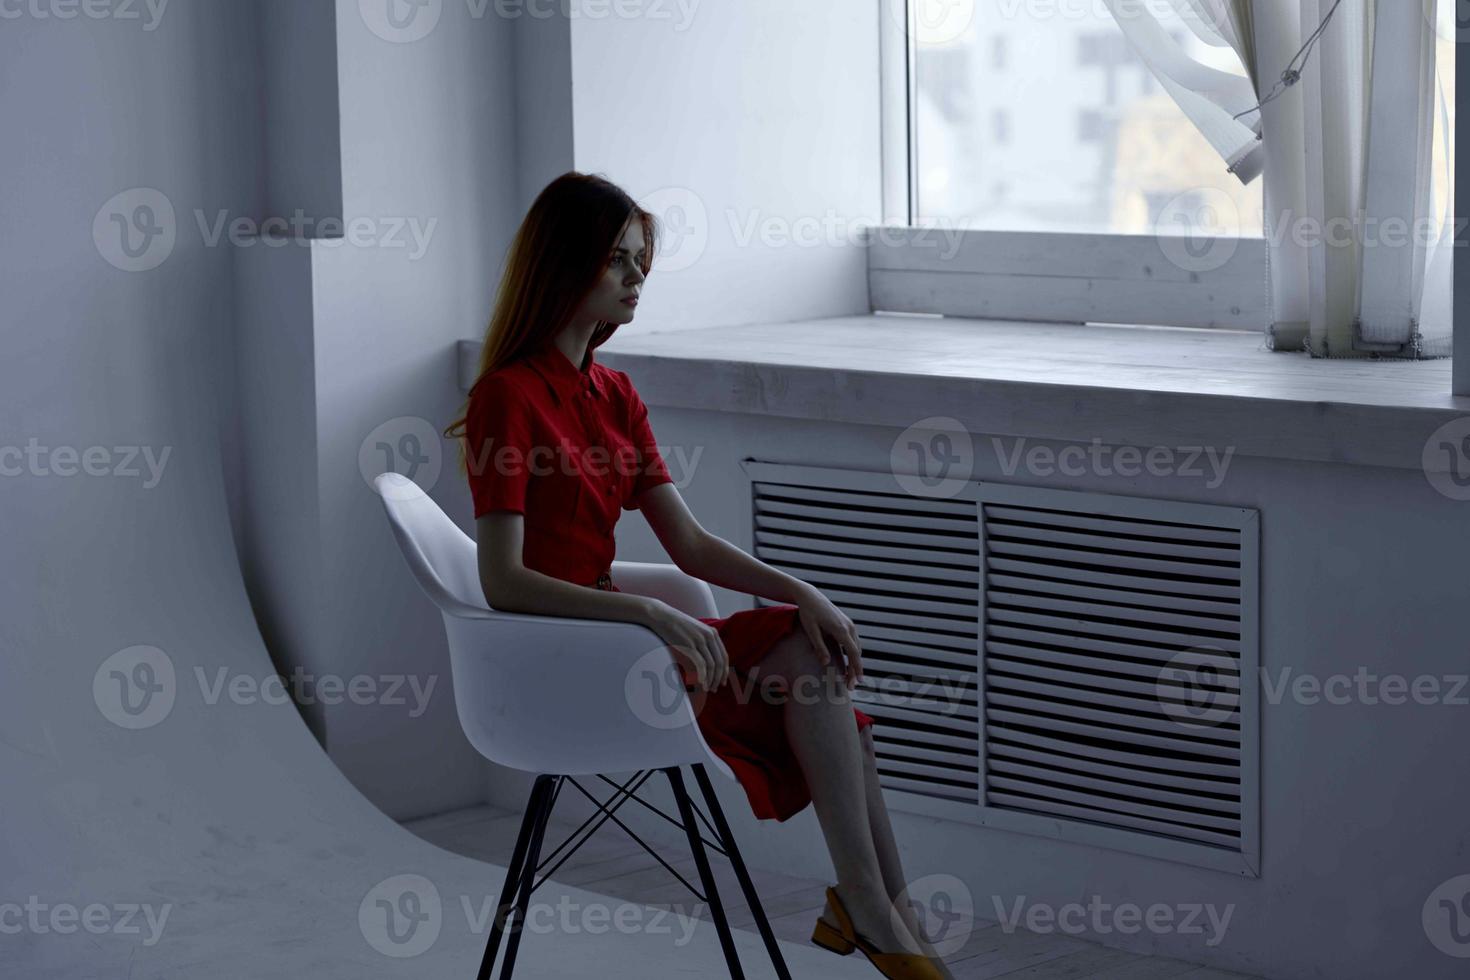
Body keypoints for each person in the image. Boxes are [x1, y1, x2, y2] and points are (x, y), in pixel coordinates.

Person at [443, 171, 954, 980]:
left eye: (641, 259)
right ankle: (876, 912)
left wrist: (804, 592)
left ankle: (888, 913)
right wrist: (648, 616)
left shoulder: (615, 395)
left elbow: (691, 545)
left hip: (621, 642)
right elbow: (503, 582)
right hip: (561, 657)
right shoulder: (509, 397)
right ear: (565, 265)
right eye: (617, 260)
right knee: (803, 664)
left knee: (814, 654)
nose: (637, 277)